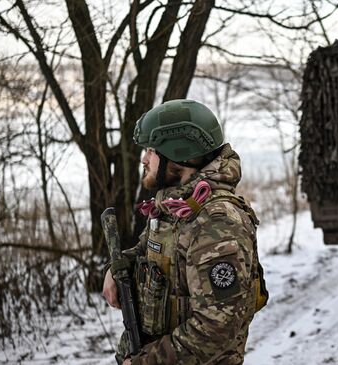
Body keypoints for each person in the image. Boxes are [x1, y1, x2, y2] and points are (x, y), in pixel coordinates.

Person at [102, 99, 268, 365]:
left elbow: (216, 329)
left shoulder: (217, 223)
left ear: (179, 154)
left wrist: (146, 362)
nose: (144, 159)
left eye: (152, 151)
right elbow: (150, 251)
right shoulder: (176, 206)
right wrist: (117, 267)